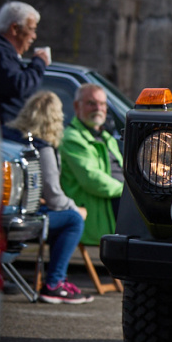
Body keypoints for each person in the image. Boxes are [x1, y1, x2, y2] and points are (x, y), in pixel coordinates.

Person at [6, 91, 93, 304]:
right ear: (56, 118)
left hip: (3, 210)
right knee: (72, 219)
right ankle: (54, 284)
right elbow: (54, 196)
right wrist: (76, 208)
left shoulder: (7, 136)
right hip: (17, 218)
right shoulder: (41, 147)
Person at [59, 83, 125, 247]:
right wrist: (128, 191)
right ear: (77, 106)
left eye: (102, 104)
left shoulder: (107, 138)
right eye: (91, 103)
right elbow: (92, 180)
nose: (98, 108)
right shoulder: (71, 138)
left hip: (119, 202)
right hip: (98, 214)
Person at [0, 0, 52, 129]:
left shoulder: (4, 53)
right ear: (14, 28)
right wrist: (39, 63)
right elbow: (19, 85)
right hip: (4, 133)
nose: (34, 36)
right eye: (31, 29)